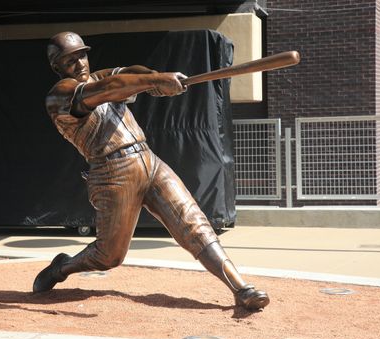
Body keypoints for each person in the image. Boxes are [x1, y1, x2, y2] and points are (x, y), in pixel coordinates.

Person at [33, 31, 269, 310]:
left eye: (81, 54)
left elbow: (130, 72)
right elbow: (112, 88)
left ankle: (241, 288)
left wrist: (155, 78)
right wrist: (154, 82)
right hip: (112, 173)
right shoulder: (59, 95)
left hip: (149, 160)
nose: (79, 63)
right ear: (57, 67)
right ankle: (62, 268)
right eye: (69, 60)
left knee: (193, 224)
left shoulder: (97, 77)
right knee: (108, 257)